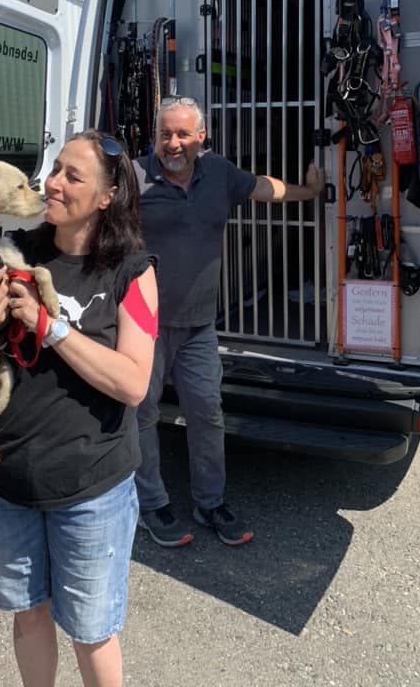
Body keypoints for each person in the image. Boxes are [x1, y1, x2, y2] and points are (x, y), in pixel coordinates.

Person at [0, 129, 158, 687]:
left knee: (92, 631)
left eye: (72, 176)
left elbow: (133, 383)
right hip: (4, 480)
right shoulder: (9, 250)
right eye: (55, 168)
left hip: (89, 488)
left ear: (107, 196)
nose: (52, 183)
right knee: (29, 615)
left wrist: (49, 325)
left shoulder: (132, 270)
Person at [133, 95, 324, 548]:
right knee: (141, 414)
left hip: (199, 324)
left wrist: (309, 192)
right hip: (145, 323)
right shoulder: (134, 176)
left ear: (201, 136)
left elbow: (263, 188)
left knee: (206, 412)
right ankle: (150, 504)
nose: (173, 143)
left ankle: (210, 502)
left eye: (183, 134)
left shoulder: (218, 172)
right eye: (165, 134)